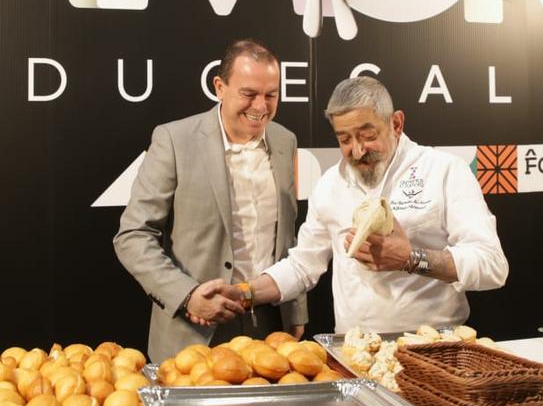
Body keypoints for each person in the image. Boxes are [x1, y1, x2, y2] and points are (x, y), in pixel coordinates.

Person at [213, 75, 509, 333]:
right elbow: (302, 265)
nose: (357, 150)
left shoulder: (444, 170)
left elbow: (492, 266)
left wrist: (410, 258)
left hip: (435, 350)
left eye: (368, 135)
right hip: (354, 353)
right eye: (344, 139)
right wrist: (245, 293)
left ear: (396, 123)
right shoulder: (330, 184)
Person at [113, 39, 307, 362]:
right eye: (249, 94)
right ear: (220, 87)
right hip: (195, 331)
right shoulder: (174, 140)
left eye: (271, 95)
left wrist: (296, 308)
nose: (261, 107)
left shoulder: (285, 141)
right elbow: (133, 236)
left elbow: (289, 236)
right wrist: (187, 296)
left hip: (272, 326)